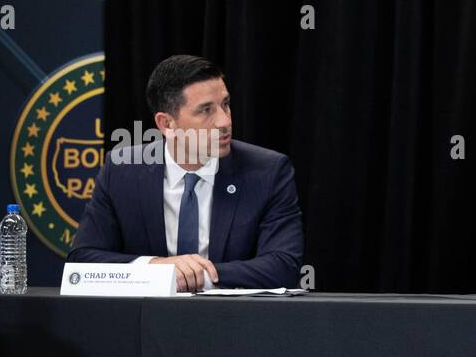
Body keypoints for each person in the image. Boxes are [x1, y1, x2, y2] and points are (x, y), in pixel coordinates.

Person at [68, 55, 303, 291]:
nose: (224, 121)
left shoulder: (268, 171)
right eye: (205, 110)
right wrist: (155, 267)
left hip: (233, 321)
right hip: (143, 322)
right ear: (167, 124)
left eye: (225, 104)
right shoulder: (121, 170)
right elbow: (82, 260)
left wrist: (194, 275)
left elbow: (283, 266)